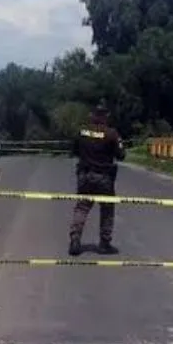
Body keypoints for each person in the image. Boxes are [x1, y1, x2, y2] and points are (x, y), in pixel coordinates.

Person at [68, 105, 126, 256]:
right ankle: (104, 244)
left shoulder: (82, 132)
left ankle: (75, 239)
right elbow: (121, 155)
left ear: (92, 115)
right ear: (106, 116)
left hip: (85, 175)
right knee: (107, 209)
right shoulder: (112, 134)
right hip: (104, 178)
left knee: (82, 208)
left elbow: (73, 151)